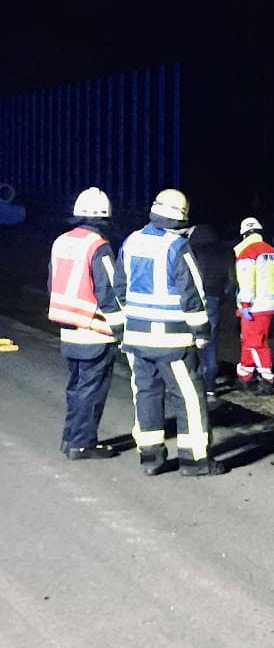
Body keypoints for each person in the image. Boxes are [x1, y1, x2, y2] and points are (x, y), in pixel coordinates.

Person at [114, 188, 225, 476]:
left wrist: (130, 322)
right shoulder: (177, 247)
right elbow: (192, 293)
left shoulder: (131, 241)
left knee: (145, 394)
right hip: (172, 340)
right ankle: (194, 460)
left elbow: (119, 288)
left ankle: (150, 458)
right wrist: (201, 330)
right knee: (189, 397)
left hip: (136, 337)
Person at [47, 187, 126, 460]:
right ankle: (82, 444)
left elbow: (52, 283)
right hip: (95, 331)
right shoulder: (98, 246)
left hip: (68, 328)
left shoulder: (61, 241)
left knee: (76, 388)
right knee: (91, 392)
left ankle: (70, 438)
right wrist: (122, 331)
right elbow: (109, 292)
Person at [233, 216, 274, 394]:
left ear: (244, 235)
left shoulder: (247, 253)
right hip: (270, 304)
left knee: (255, 344)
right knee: (249, 341)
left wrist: (245, 304)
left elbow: (247, 282)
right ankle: (245, 376)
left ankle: (267, 380)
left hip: (255, 305)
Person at [186, 223, 233, 403]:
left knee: (188, 342)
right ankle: (210, 388)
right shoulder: (225, 252)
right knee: (210, 344)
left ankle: (189, 383)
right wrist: (221, 297)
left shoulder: (192, 251)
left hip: (194, 300)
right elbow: (231, 281)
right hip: (214, 300)